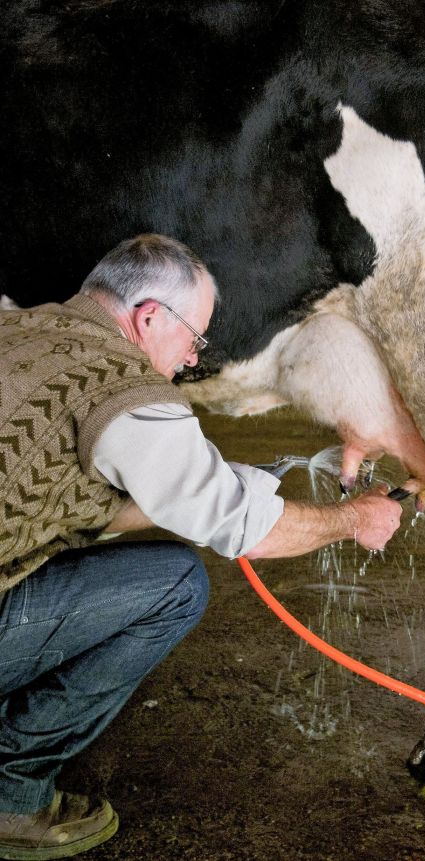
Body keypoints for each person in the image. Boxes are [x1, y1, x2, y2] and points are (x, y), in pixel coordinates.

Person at [0, 234, 402, 860]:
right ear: (149, 316)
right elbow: (247, 529)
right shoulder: (125, 393)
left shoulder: (22, 324)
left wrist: (221, 481)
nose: (192, 360)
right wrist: (352, 520)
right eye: (194, 338)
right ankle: (12, 794)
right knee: (177, 586)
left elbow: (93, 497)